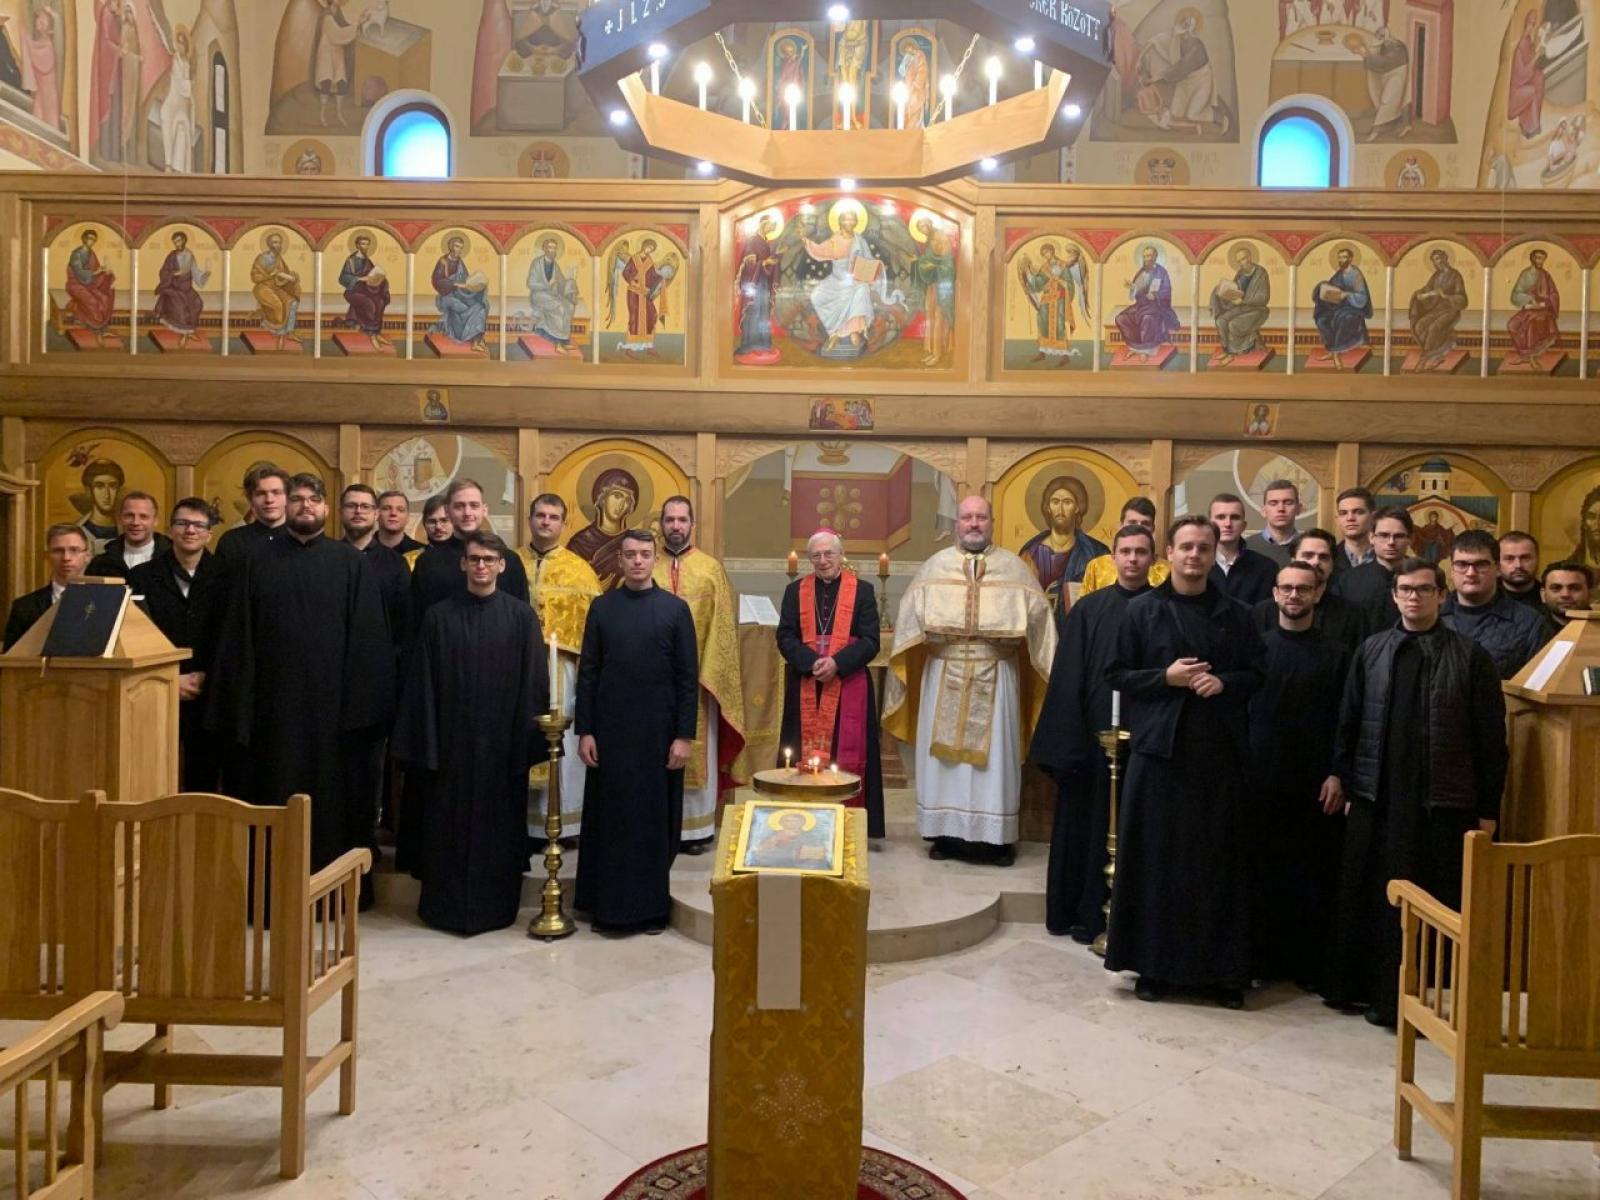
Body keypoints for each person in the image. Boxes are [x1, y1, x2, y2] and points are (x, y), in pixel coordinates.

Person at [1328, 557, 1507, 1026]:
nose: (1414, 597)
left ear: (1442, 596)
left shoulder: (1470, 656)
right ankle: (1371, 993)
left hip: (1441, 804)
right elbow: (1349, 721)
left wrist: (1488, 807)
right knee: (1375, 898)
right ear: (1394, 596)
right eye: (1405, 589)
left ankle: (1426, 1004)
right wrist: (1344, 778)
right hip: (1377, 798)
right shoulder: (1371, 650)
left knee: (1433, 903)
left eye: (1424, 589)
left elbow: (1491, 739)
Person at [206, 474, 395, 895]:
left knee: (337, 805)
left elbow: (369, 643)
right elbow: (239, 640)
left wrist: (362, 716)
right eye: (297, 499)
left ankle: (336, 893)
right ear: (284, 507)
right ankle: (269, 895)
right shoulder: (255, 561)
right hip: (272, 717)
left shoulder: (351, 564)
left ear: (326, 509)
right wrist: (242, 710)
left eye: (313, 499)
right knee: (272, 802)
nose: (305, 505)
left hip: (335, 720)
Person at [1104, 516, 1262, 1008]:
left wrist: (1225, 683)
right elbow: (1115, 673)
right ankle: (1154, 967)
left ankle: (1222, 973)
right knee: (1157, 863)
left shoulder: (1239, 615)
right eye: (1186, 547)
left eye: (1204, 547)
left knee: (1218, 865)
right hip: (1159, 754)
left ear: (1215, 553)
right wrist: (1164, 678)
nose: (1195, 555)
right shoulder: (1140, 612)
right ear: (1168, 553)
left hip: (1219, 755)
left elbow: (1258, 673)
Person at [884, 496, 1056, 867]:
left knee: (995, 763)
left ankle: (996, 840)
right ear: (957, 523)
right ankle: (945, 835)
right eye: (967, 517)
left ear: (992, 522)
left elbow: (1043, 627)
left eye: (981, 517)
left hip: (997, 674)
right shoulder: (934, 567)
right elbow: (908, 626)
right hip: (943, 673)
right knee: (943, 764)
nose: (974, 523)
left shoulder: (1016, 570)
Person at [392, 530, 548, 935]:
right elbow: (423, 685)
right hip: (451, 747)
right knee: (446, 827)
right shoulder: (438, 617)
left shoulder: (521, 617)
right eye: (475, 559)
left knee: (498, 830)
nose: (481, 566)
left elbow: (533, 684)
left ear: (501, 566)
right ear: (463, 563)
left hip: (501, 748)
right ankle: (443, 908)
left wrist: (524, 743)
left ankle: (495, 909)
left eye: (489, 560)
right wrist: (428, 746)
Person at [1031, 522, 1155, 942]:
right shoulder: (1088, 609)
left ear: (1152, 558)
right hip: (1091, 739)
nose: (1133, 559)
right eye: (1126, 551)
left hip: (1146, 740)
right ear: (1113, 557)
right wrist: (1070, 745)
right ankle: (1087, 914)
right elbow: (1068, 677)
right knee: (1089, 823)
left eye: (1141, 552)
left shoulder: (1162, 608)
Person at [574, 529, 698, 933]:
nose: (638, 561)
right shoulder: (602, 607)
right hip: (610, 734)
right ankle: (606, 908)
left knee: (651, 823)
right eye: (630, 555)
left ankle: (649, 910)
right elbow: (589, 672)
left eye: (645, 554)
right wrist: (585, 730)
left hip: (658, 736)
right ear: (620, 560)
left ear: (655, 558)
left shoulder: (675, 610)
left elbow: (687, 679)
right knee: (610, 820)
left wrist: (683, 736)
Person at [1248, 561, 1352, 989]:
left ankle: (1306, 966)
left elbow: (1347, 720)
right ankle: (1260, 962)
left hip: (1315, 782)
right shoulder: (1255, 649)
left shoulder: (1338, 654)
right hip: (1261, 777)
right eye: (1287, 588)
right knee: (1260, 872)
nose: (1294, 595)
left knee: (1310, 874)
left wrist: (1338, 774)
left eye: (1303, 589)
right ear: (1275, 594)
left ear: (1317, 594)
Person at [776, 530, 884, 839]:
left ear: (841, 555)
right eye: (816, 556)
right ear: (810, 559)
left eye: (829, 554)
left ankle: (847, 823)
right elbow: (785, 635)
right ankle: (801, 821)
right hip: (806, 679)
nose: (823, 561)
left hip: (848, 683)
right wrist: (811, 662)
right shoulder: (795, 591)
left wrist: (837, 663)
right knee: (801, 749)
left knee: (844, 751)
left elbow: (871, 640)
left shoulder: (863, 591)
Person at [653, 496, 746, 852]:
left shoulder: (710, 570)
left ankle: (694, 831)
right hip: (653, 682)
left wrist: (706, 673)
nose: (676, 526)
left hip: (698, 680)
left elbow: (723, 628)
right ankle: (658, 824)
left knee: (695, 750)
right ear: (661, 524)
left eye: (682, 520)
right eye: (670, 519)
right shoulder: (649, 565)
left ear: (692, 525)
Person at [516, 493, 602, 838]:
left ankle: (565, 824)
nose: (546, 522)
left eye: (553, 517)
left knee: (561, 739)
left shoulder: (580, 570)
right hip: (516, 667)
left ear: (564, 524)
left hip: (562, 670)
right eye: (540, 515)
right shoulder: (510, 562)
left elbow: (593, 631)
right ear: (530, 519)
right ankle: (523, 824)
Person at [128, 498, 225, 791]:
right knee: (152, 773)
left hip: (210, 692)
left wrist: (208, 677)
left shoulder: (228, 575)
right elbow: (135, 636)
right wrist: (170, 678)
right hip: (154, 688)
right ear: (170, 530)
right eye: (182, 523)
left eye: (198, 525)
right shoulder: (141, 576)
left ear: (209, 534)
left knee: (204, 778)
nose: (190, 531)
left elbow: (231, 636)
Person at [410, 478, 528, 627]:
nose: (467, 513)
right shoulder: (427, 563)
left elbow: (522, 618)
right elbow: (416, 620)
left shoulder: (509, 560)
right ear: (447, 511)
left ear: (484, 510)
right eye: (459, 506)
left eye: (474, 505)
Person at [1440, 530, 1556, 679]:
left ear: (1498, 569)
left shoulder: (1531, 623)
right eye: (1462, 564)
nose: (1470, 573)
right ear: (1452, 570)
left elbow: (1541, 683)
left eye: (1481, 564)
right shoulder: (1430, 617)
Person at [1018, 474, 1110, 613]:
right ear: (1048, 507)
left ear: (1078, 507)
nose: (1060, 510)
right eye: (1055, 502)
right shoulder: (1030, 553)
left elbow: (1105, 599)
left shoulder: (1096, 552)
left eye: (1067, 502)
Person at [3, 524, 90, 651]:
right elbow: (11, 657)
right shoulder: (24, 607)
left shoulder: (106, 602)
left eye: (74, 550)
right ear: (47, 556)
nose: (66, 558)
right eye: (58, 551)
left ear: (87, 556)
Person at [1331, 506, 1411, 635]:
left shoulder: (1423, 578)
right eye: (1383, 535)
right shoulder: (1348, 580)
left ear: (1410, 539)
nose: (1391, 542)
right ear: (1371, 537)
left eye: (1399, 536)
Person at [1073, 497, 1170, 596]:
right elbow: (1086, 603)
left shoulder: (1168, 572)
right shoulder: (1097, 567)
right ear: (1121, 526)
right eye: (1132, 522)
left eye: (1145, 524)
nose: (1138, 528)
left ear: (1153, 529)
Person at [566, 468, 639, 590]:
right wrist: (593, 589)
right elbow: (568, 585)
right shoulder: (580, 543)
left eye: (627, 500)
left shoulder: (634, 541)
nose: (621, 504)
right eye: (617, 496)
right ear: (602, 497)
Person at [1113, 243, 1180, 362]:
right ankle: (1135, 347)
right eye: (1144, 256)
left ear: (1155, 257)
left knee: (1147, 319)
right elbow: (1137, 292)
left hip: (1158, 307)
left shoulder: (1161, 272)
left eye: (1149, 256)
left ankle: (1146, 350)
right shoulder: (1141, 272)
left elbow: (1167, 291)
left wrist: (1155, 295)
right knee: (1121, 318)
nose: (1146, 259)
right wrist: (1132, 287)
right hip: (1141, 305)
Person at [214, 463, 290, 566]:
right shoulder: (231, 542)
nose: (269, 500)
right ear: (250, 499)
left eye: (276, 492)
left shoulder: (303, 539)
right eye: (261, 494)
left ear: (287, 497)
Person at [1207, 493, 1276, 606]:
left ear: (1244, 526)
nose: (1228, 524)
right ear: (1209, 525)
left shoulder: (1266, 568)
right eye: (1221, 517)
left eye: (1235, 517)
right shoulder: (1196, 564)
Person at [1406, 247, 1468, 372]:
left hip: (1451, 310)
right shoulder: (1436, 276)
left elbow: (1462, 299)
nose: (1437, 262)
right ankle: (1436, 355)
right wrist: (1420, 294)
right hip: (1436, 310)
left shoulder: (1455, 276)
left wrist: (1445, 296)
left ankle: (1425, 359)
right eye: (1434, 260)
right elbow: (1428, 289)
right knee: (1420, 325)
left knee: (1434, 328)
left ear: (1445, 258)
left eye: (1438, 258)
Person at [1209, 243, 1270, 366]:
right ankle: (1227, 350)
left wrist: (1244, 301)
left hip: (1257, 309)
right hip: (1241, 307)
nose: (1241, 263)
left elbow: (1263, 298)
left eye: (1243, 259)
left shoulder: (1261, 273)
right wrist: (1225, 293)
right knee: (1220, 321)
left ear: (1250, 257)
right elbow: (1235, 289)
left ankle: (1233, 354)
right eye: (1239, 261)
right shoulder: (1240, 273)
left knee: (1234, 324)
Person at [1311, 247, 1371, 368]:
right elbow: (1332, 287)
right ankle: (1331, 350)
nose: (1341, 260)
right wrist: (1324, 289)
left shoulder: (1356, 275)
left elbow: (1362, 297)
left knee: (1343, 319)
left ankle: (1336, 354)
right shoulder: (1339, 273)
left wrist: (1347, 294)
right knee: (1322, 318)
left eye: (1344, 257)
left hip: (1353, 307)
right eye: (1339, 257)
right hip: (1338, 305)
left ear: (1350, 258)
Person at [87, 491, 170, 578]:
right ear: (120, 519)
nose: (135, 522)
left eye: (143, 516)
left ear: (155, 521)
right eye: (129, 516)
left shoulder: (173, 560)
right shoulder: (100, 564)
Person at [430, 235, 490, 353]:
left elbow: (466, 280)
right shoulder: (443, 262)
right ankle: (473, 340)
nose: (458, 249)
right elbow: (436, 281)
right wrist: (453, 284)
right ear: (451, 246)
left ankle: (477, 339)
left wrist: (475, 285)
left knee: (480, 306)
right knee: (467, 309)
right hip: (447, 296)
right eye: (457, 246)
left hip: (460, 294)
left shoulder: (460, 262)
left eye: (460, 247)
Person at [735, 214, 781, 362]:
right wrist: (765, 262)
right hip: (753, 284)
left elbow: (766, 265)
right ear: (763, 224)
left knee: (763, 312)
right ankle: (750, 345)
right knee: (754, 312)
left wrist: (774, 258)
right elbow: (749, 263)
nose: (771, 229)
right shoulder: (753, 241)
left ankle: (763, 345)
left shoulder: (765, 243)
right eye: (770, 226)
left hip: (763, 283)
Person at [152, 231, 210, 348]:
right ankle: (184, 335)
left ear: (184, 240)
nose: (176, 244)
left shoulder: (190, 256)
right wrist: (175, 273)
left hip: (187, 289)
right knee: (180, 306)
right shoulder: (171, 256)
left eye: (178, 241)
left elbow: (195, 273)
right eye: (174, 242)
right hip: (175, 289)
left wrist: (206, 274)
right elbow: (163, 272)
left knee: (197, 303)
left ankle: (189, 332)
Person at [61, 229, 117, 345]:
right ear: (84, 238)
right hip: (75, 284)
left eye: (94, 240)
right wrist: (95, 272)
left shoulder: (91, 253)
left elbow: (95, 269)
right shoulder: (76, 254)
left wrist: (104, 270)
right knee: (93, 302)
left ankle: (101, 329)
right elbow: (79, 273)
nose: (92, 241)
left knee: (104, 298)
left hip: (89, 283)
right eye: (90, 238)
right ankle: (97, 331)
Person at [1506, 249, 1561, 367]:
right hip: (1529, 309)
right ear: (1532, 259)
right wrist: (1528, 300)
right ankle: (1524, 355)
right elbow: (1516, 294)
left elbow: (1554, 295)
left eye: (1543, 259)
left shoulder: (1546, 276)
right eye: (1538, 258)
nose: (1541, 261)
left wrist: (1544, 304)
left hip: (1544, 311)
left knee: (1531, 324)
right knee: (1512, 324)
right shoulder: (1525, 274)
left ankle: (1532, 357)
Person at [338, 233, 392, 352]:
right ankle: (372, 336)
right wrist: (359, 279)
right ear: (357, 245)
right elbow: (342, 278)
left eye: (367, 244)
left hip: (366, 290)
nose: (365, 246)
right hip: (353, 291)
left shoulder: (367, 259)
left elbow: (372, 274)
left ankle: (377, 333)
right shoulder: (351, 261)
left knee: (381, 301)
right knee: (369, 304)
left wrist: (378, 278)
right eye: (363, 244)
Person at [526, 236, 580, 352]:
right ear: (544, 249)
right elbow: (530, 284)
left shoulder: (555, 265)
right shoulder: (537, 263)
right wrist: (547, 285)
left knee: (569, 306)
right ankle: (558, 344)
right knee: (560, 307)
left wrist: (571, 281)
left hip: (551, 295)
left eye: (554, 248)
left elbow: (561, 283)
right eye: (550, 247)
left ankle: (564, 341)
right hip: (539, 296)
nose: (553, 250)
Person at [249, 231, 302, 351]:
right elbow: (254, 277)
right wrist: (270, 275)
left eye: (279, 242)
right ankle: (280, 334)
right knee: (278, 305)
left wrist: (292, 278)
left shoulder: (279, 258)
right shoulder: (262, 258)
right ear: (269, 244)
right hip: (262, 288)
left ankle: (290, 332)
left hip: (276, 287)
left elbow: (282, 274)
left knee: (293, 302)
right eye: (275, 242)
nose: (278, 245)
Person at [1251, 479, 1302, 566]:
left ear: (1298, 509)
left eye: (1288, 503)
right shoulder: (1247, 547)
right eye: (1273, 503)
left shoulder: (1309, 548)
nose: (1281, 509)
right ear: (1263, 511)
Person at [74, 458, 123, 549]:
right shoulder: (76, 532)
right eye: (100, 486)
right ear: (89, 490)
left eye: (112, 486)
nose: (107, 494)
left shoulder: (128, 530)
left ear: (118, 490)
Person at [1498, 530, 1549, 614]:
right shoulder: (1484, 598)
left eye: (1525, 558)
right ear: (1497, 562)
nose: (1518, 565)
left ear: (1537, 560)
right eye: (1509, 559)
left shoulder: (1549, 598)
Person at [1331, 487, 1376, 575]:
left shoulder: (1390, 558)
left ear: (1373, 517)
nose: (1350, 518)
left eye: (1358, 512)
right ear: (1337, 519)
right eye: (1343, 513)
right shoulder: (1329, 558)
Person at [376, 490, 423, 555]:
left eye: (400, 510)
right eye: (386, 508)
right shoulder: (362, 550)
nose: (393, 513)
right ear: (376, 514)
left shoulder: (423, 553)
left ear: (408, 517)